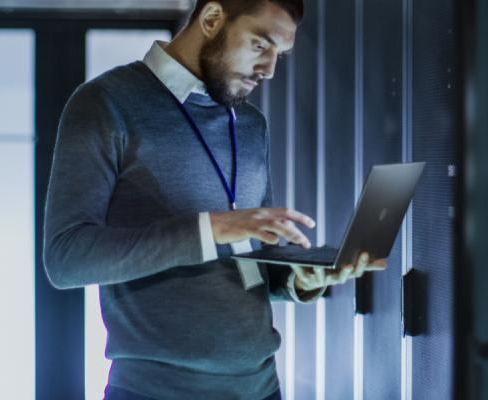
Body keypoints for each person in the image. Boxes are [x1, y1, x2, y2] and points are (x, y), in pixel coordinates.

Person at [41, 1, 385, 398]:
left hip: (260, 387)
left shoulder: (251, 124)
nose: (270, 69)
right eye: (260, 45)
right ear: (211, 19)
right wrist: (211, 227)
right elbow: (66, 258)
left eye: (280, 54)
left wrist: (297, 279)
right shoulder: (104, 104)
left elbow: (248, 261)